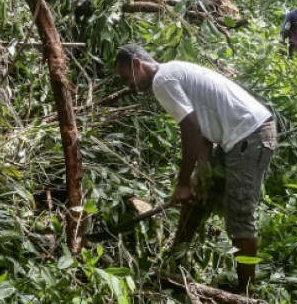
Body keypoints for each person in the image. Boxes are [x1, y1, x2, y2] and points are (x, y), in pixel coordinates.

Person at [114, 45, 275, 294]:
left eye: (127, 78)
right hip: (237, 137)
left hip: (249, 135)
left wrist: (182, 182)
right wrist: (200, 172)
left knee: (238, 215)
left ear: (137, 64)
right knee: (198, 199)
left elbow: (191, 129)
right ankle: (172, 264)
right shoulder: (172, 71)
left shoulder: (162, 80)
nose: (129, 86)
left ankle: (245, 294)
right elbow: (202, 130)